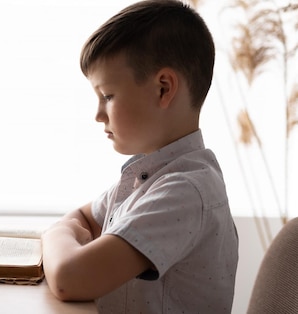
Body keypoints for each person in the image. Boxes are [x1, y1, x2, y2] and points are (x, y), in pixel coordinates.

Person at [40, 0, 239, 312]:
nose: (97, 115)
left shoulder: (184, 192)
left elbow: (70, 278)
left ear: (163, 88)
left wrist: (54, 233)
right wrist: (70, 230)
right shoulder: (148, 178)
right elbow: (82, 217)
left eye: (107, 96)